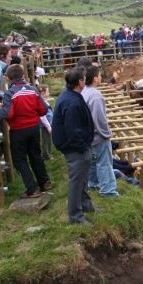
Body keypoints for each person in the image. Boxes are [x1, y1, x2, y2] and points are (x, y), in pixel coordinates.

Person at [0, 64, 50, 198]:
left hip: (18, 129)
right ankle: (44, 182)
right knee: (35, 155)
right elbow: (43, 109)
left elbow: (8, 114)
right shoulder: (32, 90)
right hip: (34, 128)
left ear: (8, 78)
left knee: (19, 159)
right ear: (23, 76)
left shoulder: (10, 93)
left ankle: (32, 188)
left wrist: (0, 109)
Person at [52, 67, 95, 226]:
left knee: (82, 178)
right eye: (84, 78)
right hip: (74, 147)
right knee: (77, 180)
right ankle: (76, 216)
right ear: (80, 82)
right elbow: (72, 130)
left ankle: (86, 206)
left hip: (76, 145)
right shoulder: (72, 102)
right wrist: (83, 146)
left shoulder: (71, 95)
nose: (85, 80)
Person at [81, 65, 119, 197]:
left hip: (88, 135)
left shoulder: (84, 91)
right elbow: (99, 118)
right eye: (100, 75)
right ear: (95, 78)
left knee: (92, 162)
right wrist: (106, 134)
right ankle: (108, 190)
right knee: (104, 163)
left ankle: (93, 183)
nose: (101, 77)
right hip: (98, 136)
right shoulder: (96, 96)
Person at [39, 84, 53, 161]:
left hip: (48, 124)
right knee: (46, 140)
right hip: (46, 125)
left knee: (48, 139)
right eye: (48, 92)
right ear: (42, 93)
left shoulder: (44, 101)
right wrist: (48, 126)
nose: (49, 93)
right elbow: (42, 116)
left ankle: (49, 153)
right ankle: (46, 155)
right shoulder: (41, 103)